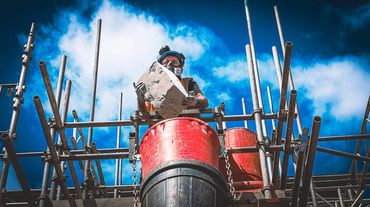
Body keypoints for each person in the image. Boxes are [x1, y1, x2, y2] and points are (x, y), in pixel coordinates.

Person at [136, 45, 208, 114]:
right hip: (161, 125)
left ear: (180, 68)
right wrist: (140, 100)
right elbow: (144, 115)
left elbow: (204, 101)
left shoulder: (188, 82)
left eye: (174, 62)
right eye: (166, 62)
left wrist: (196, 102)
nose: (170, 64)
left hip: (189, 124)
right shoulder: (152, 87)